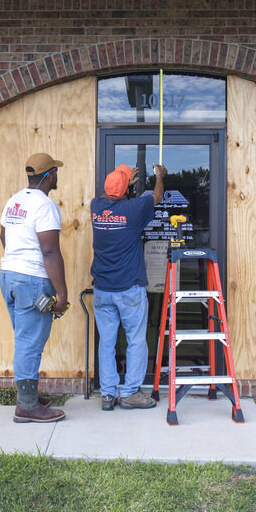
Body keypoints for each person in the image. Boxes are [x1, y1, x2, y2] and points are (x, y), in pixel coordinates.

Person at [0, 152, 68, 423]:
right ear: (49, 175)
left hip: (9, 275)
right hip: (32, 280)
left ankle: (27, 396)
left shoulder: (14, 200)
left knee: (23, 338)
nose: (57, 176)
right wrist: (61, 294)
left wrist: (18, 261)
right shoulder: (45, 206)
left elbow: (4, 236)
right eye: (56, 172)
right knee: (30, 343)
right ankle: (26, 407)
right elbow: (50, 253)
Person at [90, 162, 166, 411]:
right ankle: (131, 392)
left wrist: (121, 185)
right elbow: (157, 196)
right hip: (129, 290)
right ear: (125, 191)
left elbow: (106, 197)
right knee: (135, 341)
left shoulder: (95, 207)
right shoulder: (134, 209)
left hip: (102, 290)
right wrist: (160, 177)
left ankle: (108, 394)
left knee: (107, 342)